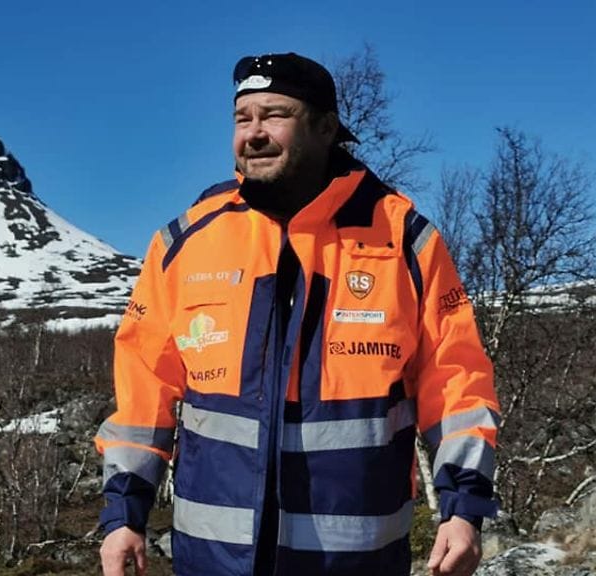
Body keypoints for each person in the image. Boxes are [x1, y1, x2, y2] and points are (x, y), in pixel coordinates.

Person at [94, 52, 500, 576]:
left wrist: (463, 511)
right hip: (213, 561)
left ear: (326, 127)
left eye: (275, 115)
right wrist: (123, 516)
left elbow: (456, 383)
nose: (254, 133)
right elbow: (143, 393)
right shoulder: (185, 242)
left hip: (356, 561)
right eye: (243, 119)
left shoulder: (403, 240)